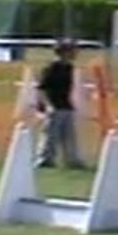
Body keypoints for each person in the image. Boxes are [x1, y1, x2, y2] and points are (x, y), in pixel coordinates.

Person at [35, 39, 84, 169]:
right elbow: (42, 88)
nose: (75, 53)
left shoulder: (69, 68)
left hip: (66, 105)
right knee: (50, 135)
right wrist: (46, 105)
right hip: (54, 106)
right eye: (71, 50)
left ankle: (72, 160)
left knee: (69, 136)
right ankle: (45, 158)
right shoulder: (52, 68)